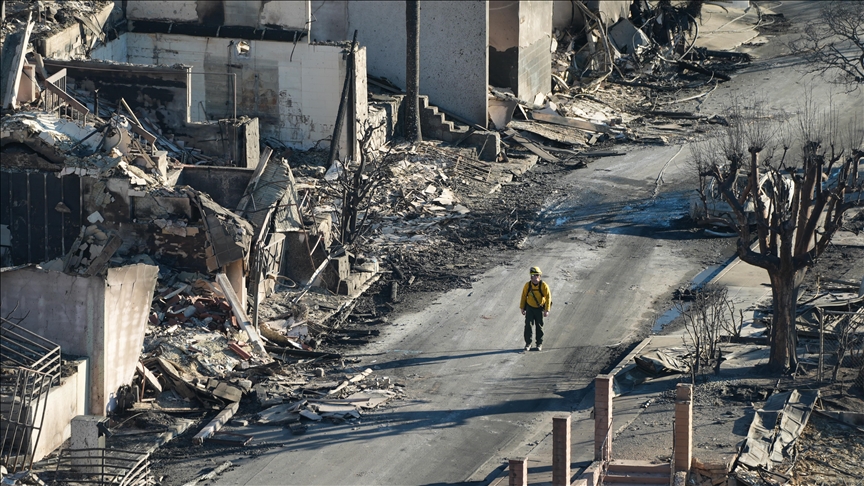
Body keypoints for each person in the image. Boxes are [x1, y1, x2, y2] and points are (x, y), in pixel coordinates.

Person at [519, 266, 551, 351]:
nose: (535, 277)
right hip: (530, 308)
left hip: (539, 308)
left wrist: (546, 310)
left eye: (537, 275)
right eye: (533, 275)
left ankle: (539, 344)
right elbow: (523, 296)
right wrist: (522, 308)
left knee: (539, 326)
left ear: (540, 276)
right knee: (528, 326)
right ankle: (528, 343)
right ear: (530, 276)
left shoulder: (543, 285)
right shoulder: (528, 285)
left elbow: (548, 297)